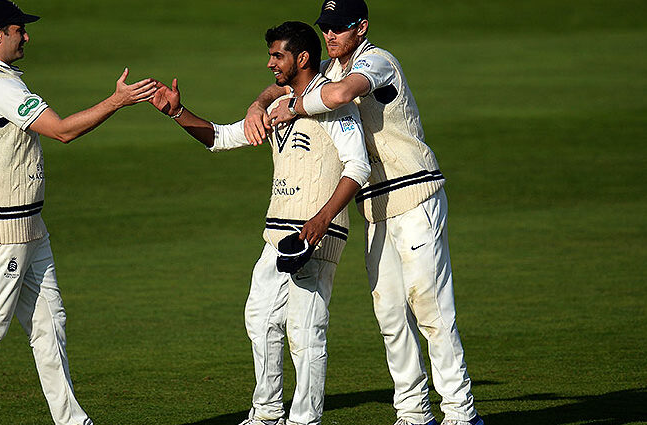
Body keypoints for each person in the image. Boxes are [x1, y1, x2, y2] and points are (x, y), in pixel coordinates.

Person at [0, 1, 156, 424]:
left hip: (27, 224)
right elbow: (62, 130)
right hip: (3, 226)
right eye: (20, 29)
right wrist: (116, 101)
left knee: (49, 324)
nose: (27, 36)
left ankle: (72, 420)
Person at [244, 2, 484, 425]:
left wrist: (295, 107)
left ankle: (461, 414)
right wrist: (257, 106)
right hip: (375, 205)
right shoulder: (333, 69)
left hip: (415, 193)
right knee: (390, 312)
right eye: (326, 28)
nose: (330, 35)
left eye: (339, 28)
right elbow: (284, 89)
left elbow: (335, 96)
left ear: (362, 27)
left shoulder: (377, 61)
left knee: (430, 308)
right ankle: (413, 413)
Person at [150, 21, 370, 425]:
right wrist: (178, 112)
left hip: (316, 234)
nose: (269, 63)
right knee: (260, 317)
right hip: (278, 235)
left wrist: (322, 220)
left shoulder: (333, 105)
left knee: (305, 330)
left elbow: (358, 166)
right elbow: (221, 137)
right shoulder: (276, 107)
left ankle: (305, 419)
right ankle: (267, 413)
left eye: (277, 55)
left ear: (301, 58)